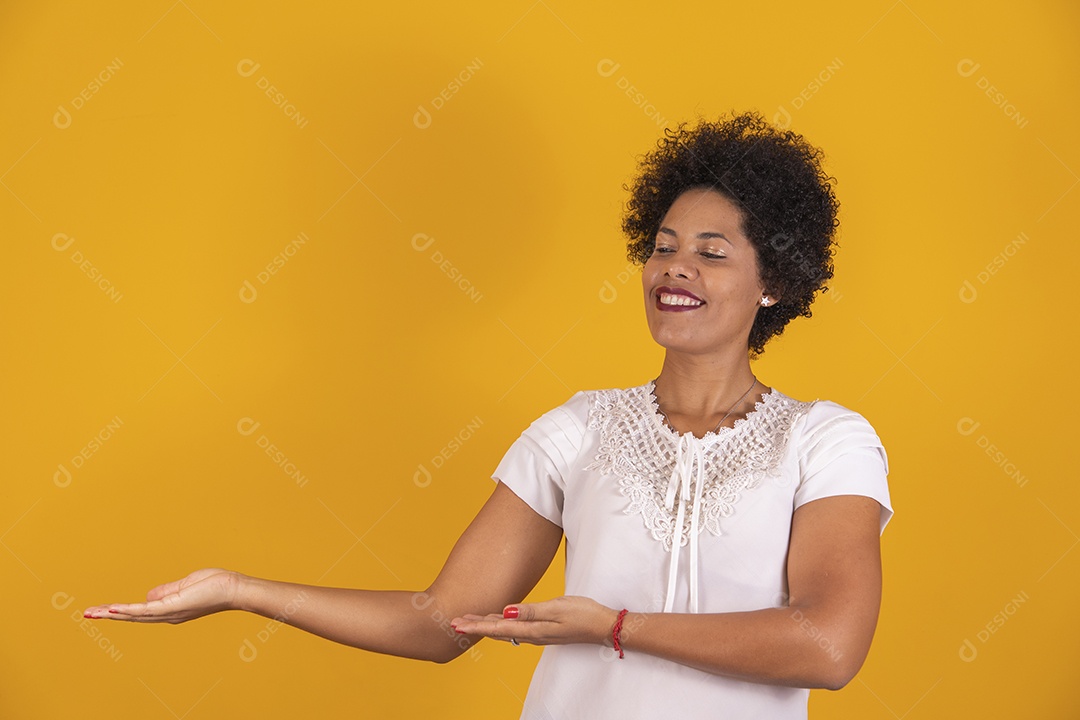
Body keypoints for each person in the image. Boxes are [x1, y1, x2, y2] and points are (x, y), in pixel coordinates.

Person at [85, 111, 893, 719]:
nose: (675, 268)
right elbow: (441, 622)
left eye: (711, 253)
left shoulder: (825, 442)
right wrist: (241, 590)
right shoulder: (577, 431)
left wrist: (613, 626)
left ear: (774, 283)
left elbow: (828, 647)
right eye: (663, 245)